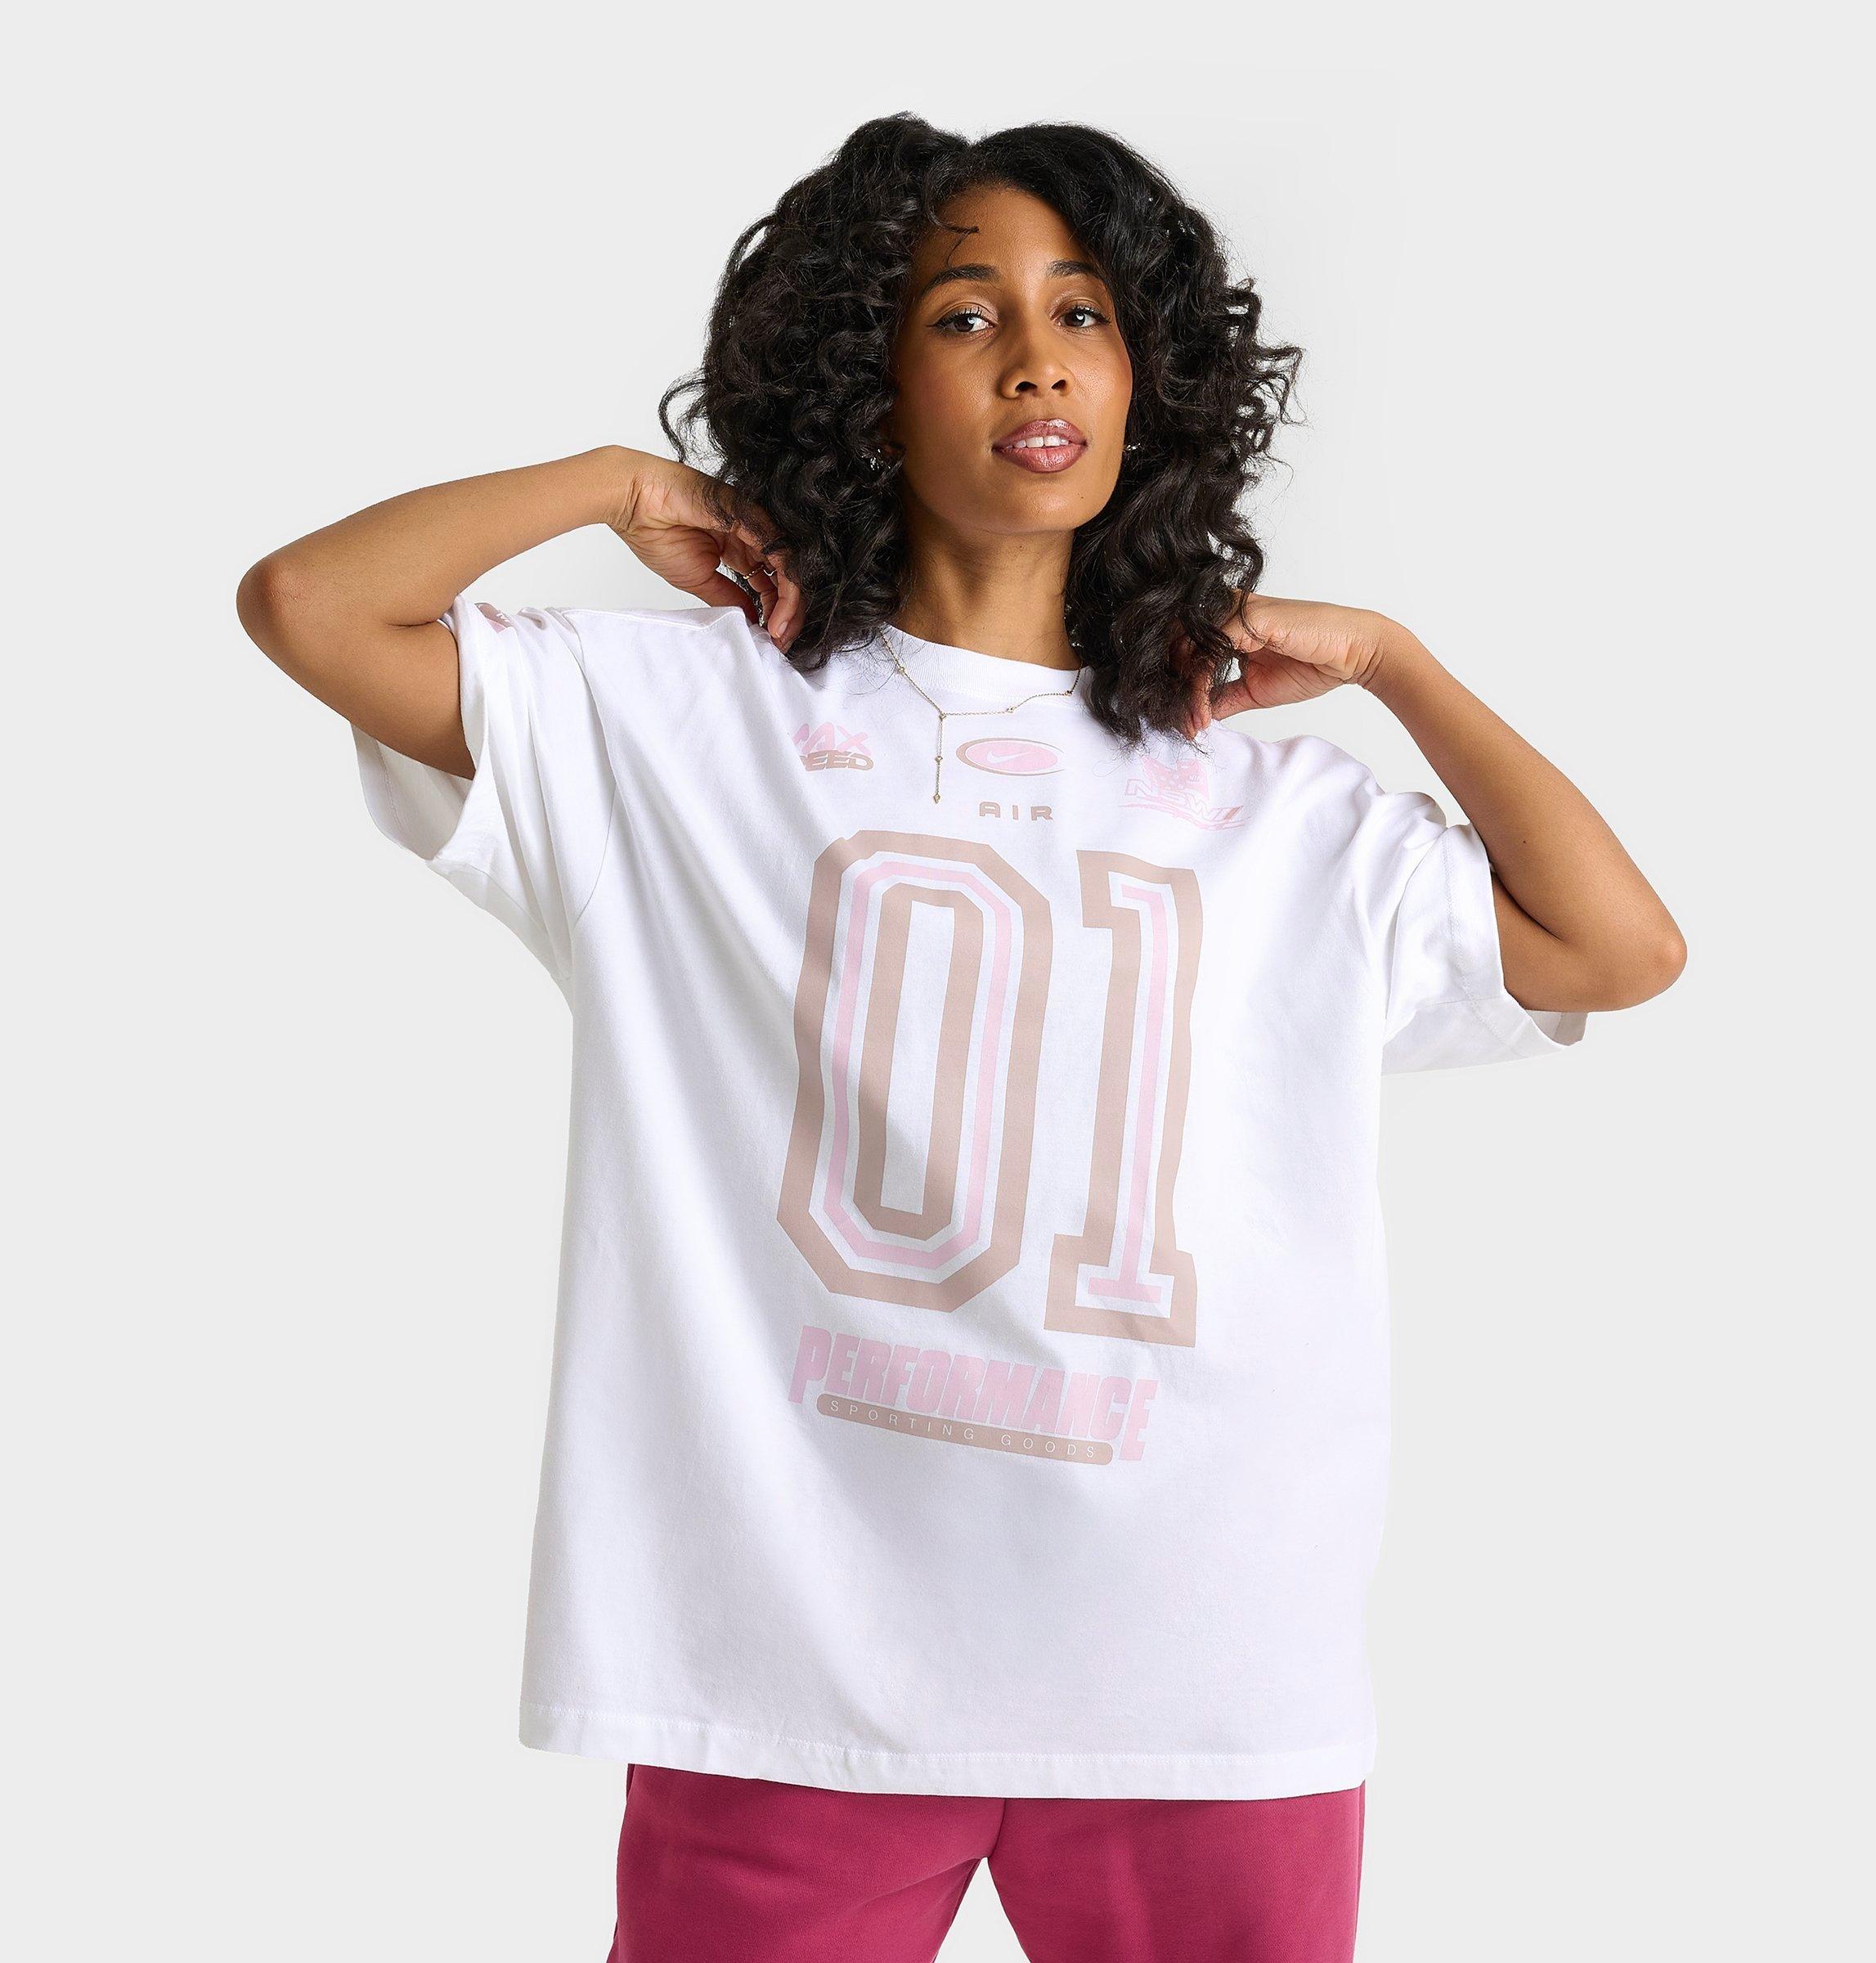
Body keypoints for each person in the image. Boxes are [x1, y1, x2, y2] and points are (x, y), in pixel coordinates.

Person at [237, 114, 1685, 1963]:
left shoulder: (1275, 813)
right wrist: (619, 483)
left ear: (1150, 381)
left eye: (1084, 312)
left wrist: (1393, 661)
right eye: (963, 314)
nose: (1036, 360)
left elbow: (1618, 948)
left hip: (1199, 1674)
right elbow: (307, 604)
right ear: (864, 376)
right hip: (787, 1674)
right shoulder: (680, 726)